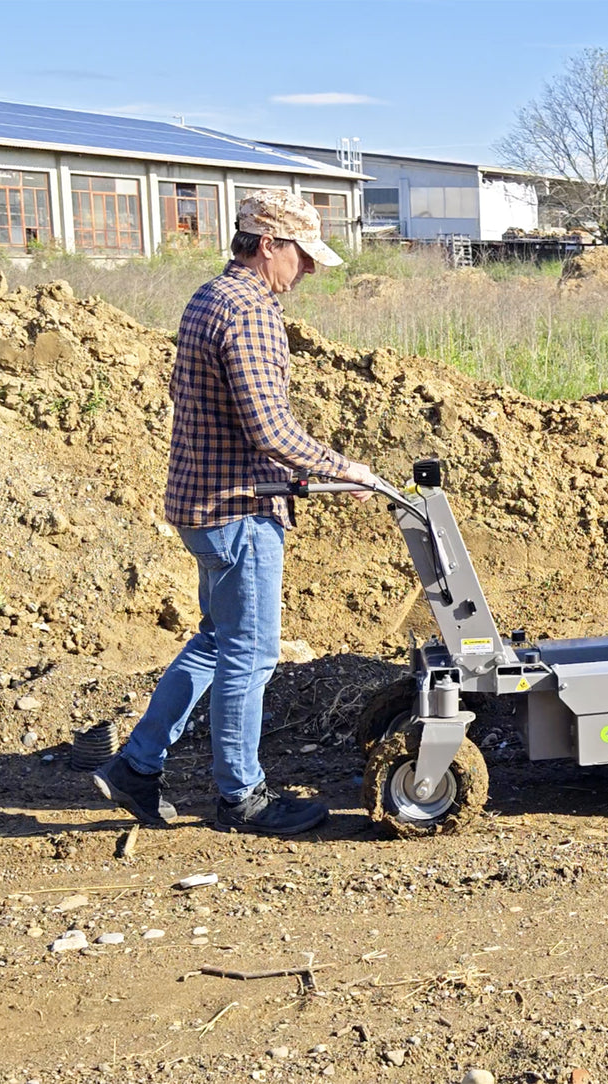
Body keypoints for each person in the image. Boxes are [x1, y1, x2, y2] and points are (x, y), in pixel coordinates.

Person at [94, 190, 375, 836]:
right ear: (268, 244)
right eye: (301, 257)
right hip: (239, 510)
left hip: (202, 502)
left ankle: (136, 764)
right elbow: (270, 429)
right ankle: (241, 798)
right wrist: (344, 467)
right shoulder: (248, 312)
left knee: (218, 642)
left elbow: (211, 407)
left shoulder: (205, 299)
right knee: (250, 654)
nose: (305, 272)